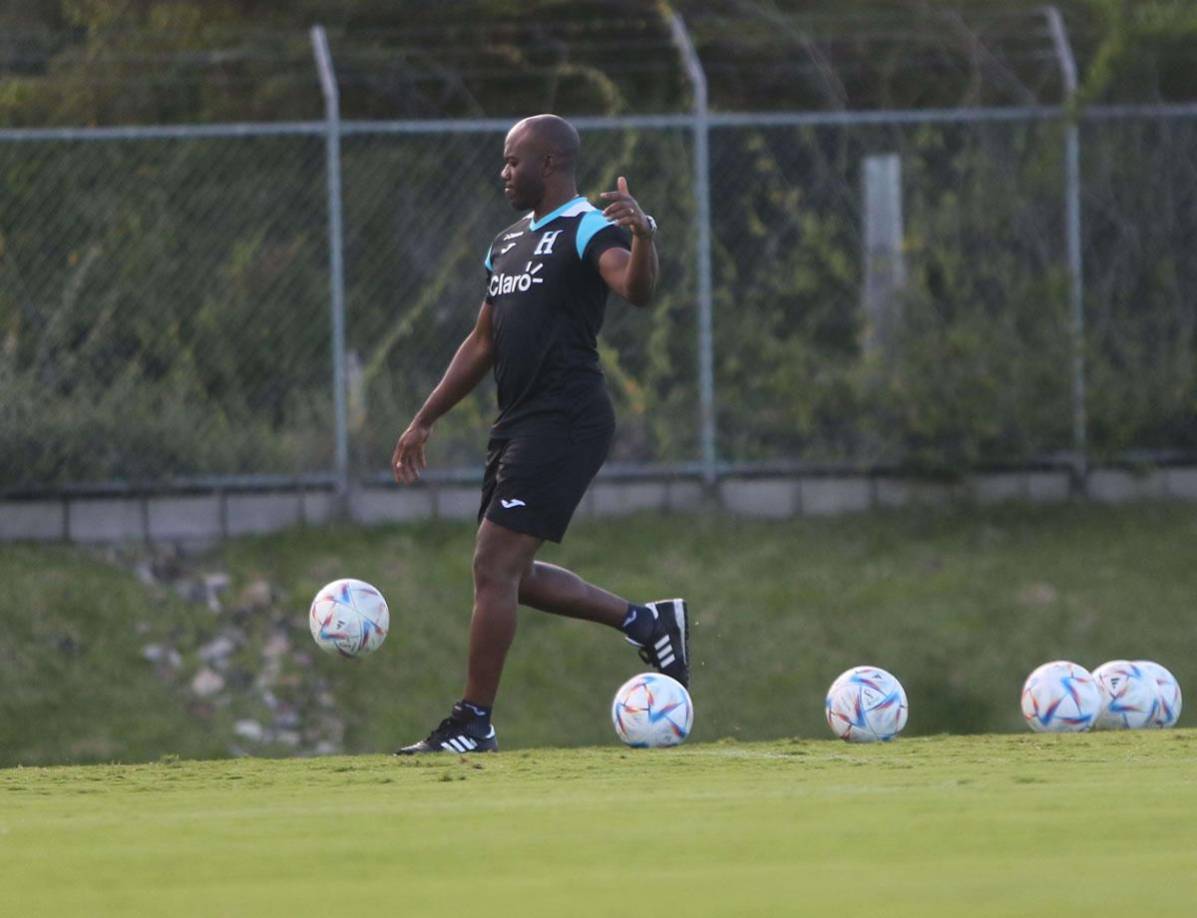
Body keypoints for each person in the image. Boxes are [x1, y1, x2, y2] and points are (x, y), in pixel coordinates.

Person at [390, 113, 689, 755]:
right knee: (512, 575)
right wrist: (424, 418)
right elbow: (482, 342)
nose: (504, 172)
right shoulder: (505, 243)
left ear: (549, 163)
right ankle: (646, 622)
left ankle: (473, 721)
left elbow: (633, 288)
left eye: (512, 161)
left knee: (492, 565)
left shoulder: (589, 226)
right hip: (517, 424)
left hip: (567, 417)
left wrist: (644, 237)